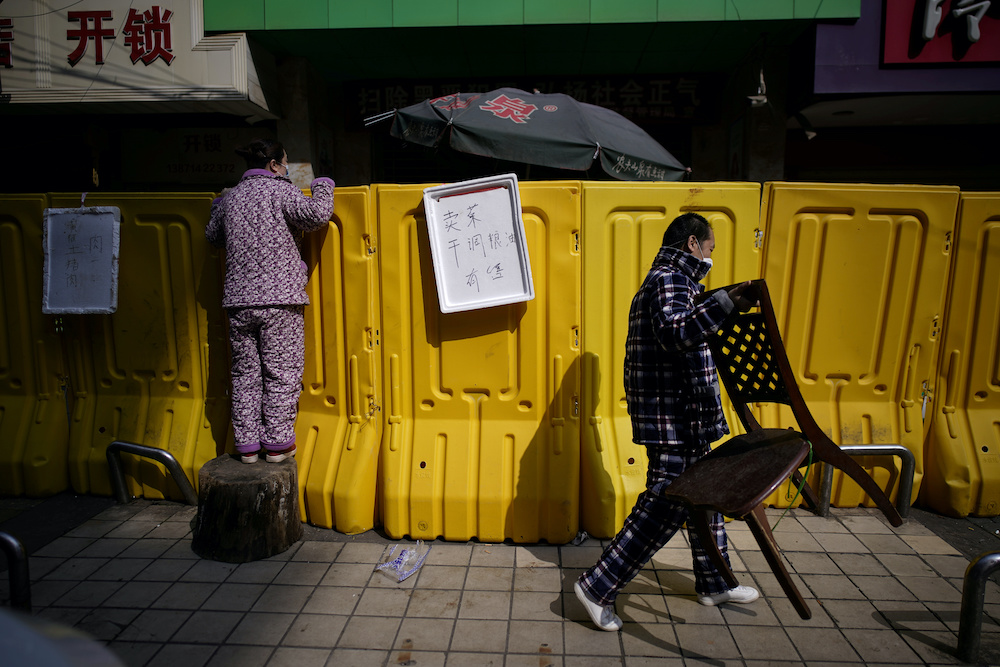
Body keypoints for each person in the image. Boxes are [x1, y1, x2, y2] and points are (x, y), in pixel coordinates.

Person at [575, 212, 760, 631]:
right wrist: (726, 301)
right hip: (673, 413)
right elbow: (677, 333)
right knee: (668, 500)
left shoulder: (676, 281)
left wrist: (718, 302)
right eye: (710, 249)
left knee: (701, 492)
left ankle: (715, 581)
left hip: (679, 411)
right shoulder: (668, 279)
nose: (712, 257)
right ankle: (598, 585)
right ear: (692, 244)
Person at [205, 138, 335, 464]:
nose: (288, 168)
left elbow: (213, 236)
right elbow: (317, 216)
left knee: (245, 374)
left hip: (238, 302)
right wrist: (322, 185)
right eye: (286, 162)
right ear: (274, 164)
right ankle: (277, 445)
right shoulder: (281, 190)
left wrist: (217, 206)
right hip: (280, 302)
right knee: (281, 373)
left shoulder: (231, 198)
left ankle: (246, 445)